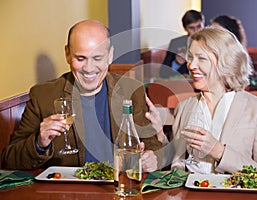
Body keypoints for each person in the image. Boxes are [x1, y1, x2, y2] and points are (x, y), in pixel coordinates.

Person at [1, 20, 162, 172]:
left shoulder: (131, 90)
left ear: (110, 55)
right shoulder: (43, 95)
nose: (89, 68)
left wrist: (153, 158)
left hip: (118, 189)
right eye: (80, 58)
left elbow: (152, 146)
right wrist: (39, 142)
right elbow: (9, 159)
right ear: (67, 54)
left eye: (97, 58)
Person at [147, 26, 257, 177]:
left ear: (226, 62)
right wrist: (159, 134)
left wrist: (219, 152)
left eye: (201, 58)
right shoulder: (184, 107)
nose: (191, 65)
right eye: (190, 57)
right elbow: (176, 162)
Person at [160, 10, 205, 78]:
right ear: (185, 28)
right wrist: (177, 63)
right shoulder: (176, 43)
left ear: (203, 24)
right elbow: (163, 73)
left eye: (199, 26)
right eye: (191, 28)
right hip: (184, 84)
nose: (196, 31)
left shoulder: (212, 42)